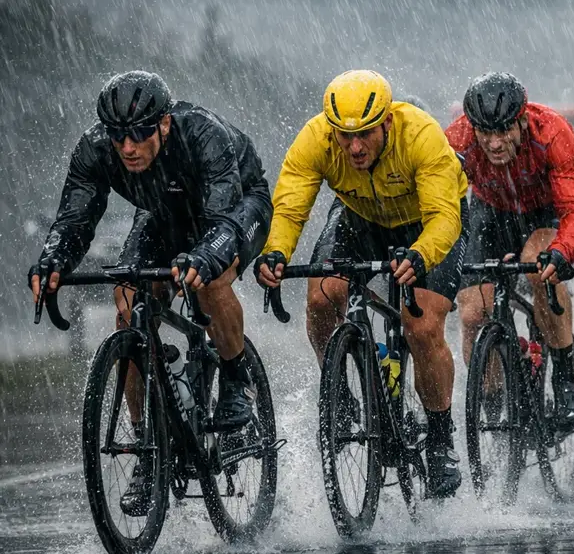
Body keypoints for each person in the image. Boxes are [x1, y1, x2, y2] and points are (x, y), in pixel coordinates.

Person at [30, 70, 273, 515]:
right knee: (128, 300)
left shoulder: (203, 134)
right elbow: (76, 217)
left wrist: (203, 257)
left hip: (237, 206)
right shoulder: (96, 149)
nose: (128, 146)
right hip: (164, 213)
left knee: (210, 280)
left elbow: (223, 219)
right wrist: (54, 262)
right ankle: (147, 443)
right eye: (118, 135)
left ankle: (237, 381)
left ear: (163, 124)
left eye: (140, 133)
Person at [255, 70, 469, 498]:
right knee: (320, 296)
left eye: (365, 135)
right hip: (361, 217)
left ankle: (441, 440)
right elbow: (292, 201)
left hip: (426, 224)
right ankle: (340, 393)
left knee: (422, 326)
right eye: (344, 136)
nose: (354, 147)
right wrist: (276, 252)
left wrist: (421, 255)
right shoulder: (317, 138)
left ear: (387, 122)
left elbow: (444, 218)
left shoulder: (421, 136)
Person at [446, 73, 574, 434]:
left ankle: (565, 378)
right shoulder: (457, 139)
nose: (495, 144)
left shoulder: (553, 133)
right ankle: (493, 393)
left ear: (523, 119)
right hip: (489, 212)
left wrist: (562, 252)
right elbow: (436, 198)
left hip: (542, 213)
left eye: (504, 132)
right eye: (486, 133)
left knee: (540, 268)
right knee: (472, 312)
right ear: (473, 127)